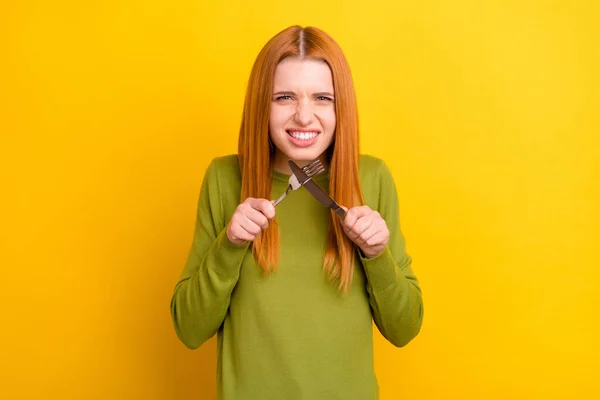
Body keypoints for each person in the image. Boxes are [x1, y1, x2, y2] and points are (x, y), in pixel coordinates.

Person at [170, 25, 423, 400]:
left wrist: (376, 254)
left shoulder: (372, 179)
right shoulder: (225, 179)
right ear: (262, 103)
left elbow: (404, 329)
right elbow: (189, 330)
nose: (304, 116)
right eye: (285, 97)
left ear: (342, 107)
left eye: (322, 98)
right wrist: (230, 244)